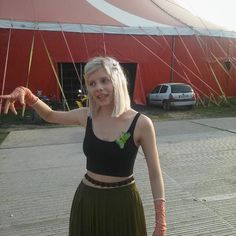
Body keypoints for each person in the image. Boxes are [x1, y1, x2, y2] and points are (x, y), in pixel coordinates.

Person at [0, 56, 166, 236]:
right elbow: (50, 115)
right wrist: (27, 94)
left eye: (104, 80)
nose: (98, 88)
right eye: (92, 83)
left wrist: (161, 222)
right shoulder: (86, 116)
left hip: (123, 203)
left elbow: (155, 175)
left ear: (117, 81)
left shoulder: (141, 123)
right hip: (87, 200)